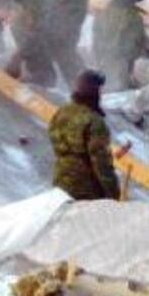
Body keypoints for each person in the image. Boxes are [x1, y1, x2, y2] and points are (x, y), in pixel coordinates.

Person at [48, 70, 120, 200]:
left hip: (60, 181)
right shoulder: (94, 121)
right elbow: (101, 163)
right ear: (95, 92)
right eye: (99, 90)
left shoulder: (62, 111)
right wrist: (113, 194)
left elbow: (54, 139)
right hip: (85, 188)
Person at [91, 0, 147, 91]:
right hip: (117, 74)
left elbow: (97, 44)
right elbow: (132, 50)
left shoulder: (106, 10)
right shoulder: (131, 17)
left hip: (105, 69)